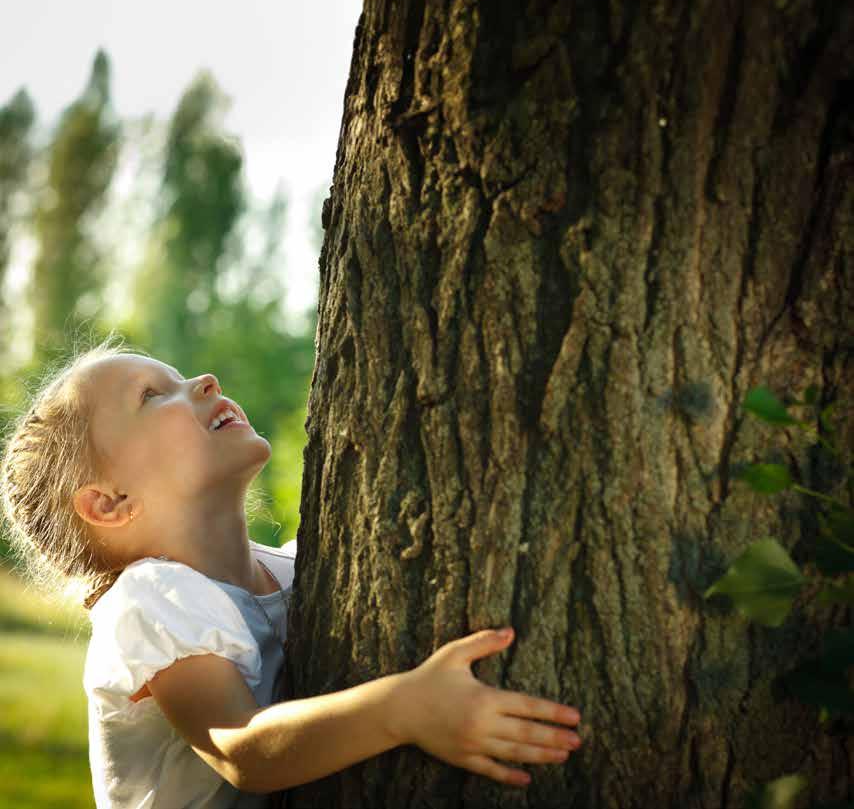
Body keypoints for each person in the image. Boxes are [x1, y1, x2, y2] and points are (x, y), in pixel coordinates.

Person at [0, 337, 583, 808]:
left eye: (179, 377)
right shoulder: (151, 603)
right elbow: (243, 751)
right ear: (109, 503)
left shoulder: (297, 568)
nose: (205, 381)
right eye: (153, 395)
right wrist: (406, 709)